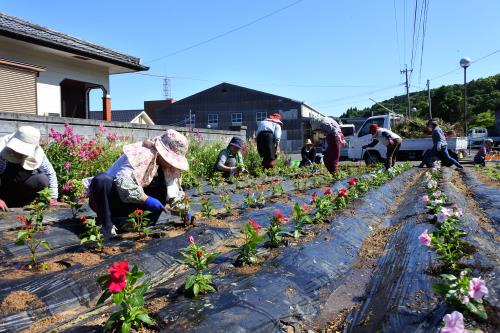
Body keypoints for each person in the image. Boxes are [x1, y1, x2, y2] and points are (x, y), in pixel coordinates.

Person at [87, 129, 191, 238]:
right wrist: (145, 199)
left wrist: (184, 210)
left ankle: (141, 225)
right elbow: (123, 183)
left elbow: (173, 190)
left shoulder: (168, 167)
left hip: (133, 206)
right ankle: (107, 225)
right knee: (101, 180)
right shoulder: (141, 154)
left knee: (162, 187)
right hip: (113, 199)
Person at [0, 126, 58, 211]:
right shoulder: (1, 148)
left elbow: (50, 173)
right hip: (3, 187)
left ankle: (21, 204)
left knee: (41, 179)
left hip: (20, 188)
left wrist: (53, 197)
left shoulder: (38, 154)